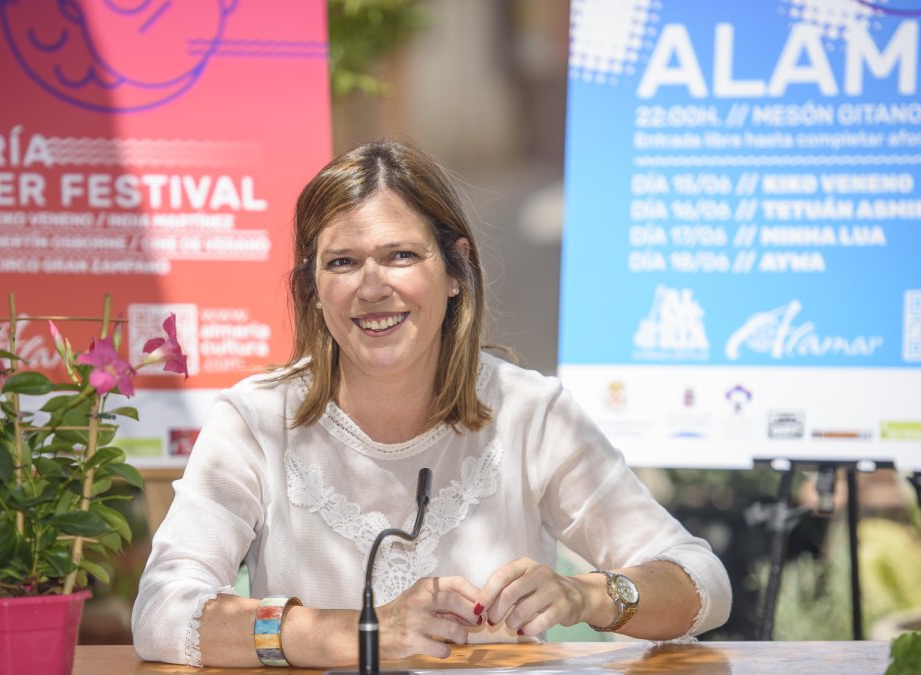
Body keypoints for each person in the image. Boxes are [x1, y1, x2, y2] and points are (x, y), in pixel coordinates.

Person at [131, 139, 731, 668]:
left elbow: (702, 581)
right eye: (342, 262)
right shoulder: (254, 419)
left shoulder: (531, 410)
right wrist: (353, 635)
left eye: (400, 256)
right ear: (312, 289)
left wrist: (588, 596)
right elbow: (162, 610)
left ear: (454, 270)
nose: (371, 287)